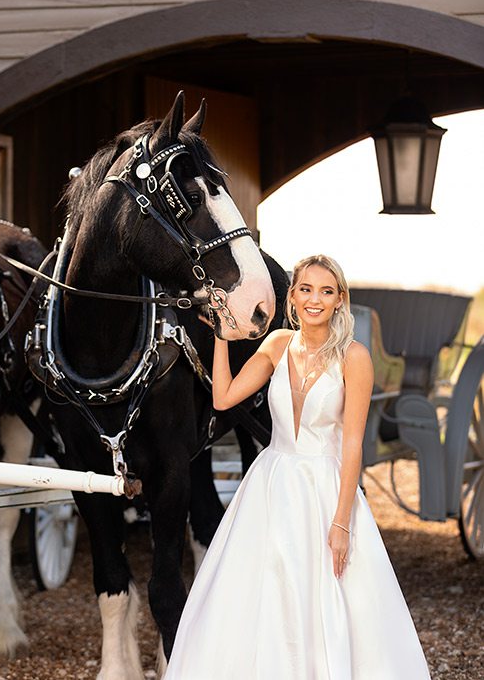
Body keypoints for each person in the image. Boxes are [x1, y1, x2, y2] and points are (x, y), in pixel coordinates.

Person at [164, 254, 431, 679]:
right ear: (292, 295)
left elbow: (353, 445)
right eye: (306, 289)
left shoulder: (354, 358)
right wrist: (220, 336)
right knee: (264, 590)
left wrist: (342, 521)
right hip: (271, 484)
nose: (315, 300)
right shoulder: (276, 345)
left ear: (340, 299)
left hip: (325, 489)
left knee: (326, 594)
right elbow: (223, 397)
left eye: (326, 291)